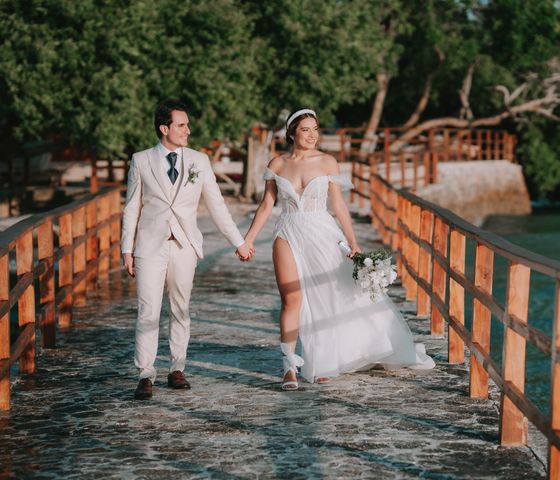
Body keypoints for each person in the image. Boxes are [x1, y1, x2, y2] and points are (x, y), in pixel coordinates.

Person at [243, 108, 435, 391]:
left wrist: (353, 240)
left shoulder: (327, 162)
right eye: (306, 129)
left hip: (321, 231)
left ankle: (321, 361)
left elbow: (339, 205)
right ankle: (288, 367)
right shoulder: (278, 164)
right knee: (291, 299)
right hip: (287, 231)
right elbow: (266, 205)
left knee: (326, 295)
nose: (312, 135)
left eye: (316, 129)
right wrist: (248, 239)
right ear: (292, 132)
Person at [121, 99, 254, 400]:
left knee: (180, 308)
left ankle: (176, 368)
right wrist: (126, 249)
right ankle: (145, 373)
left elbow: (216, 205)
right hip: (149, 247)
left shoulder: (199, 161)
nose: (188, 130)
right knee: (148, 311)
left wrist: (239, 241)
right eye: (182, 125)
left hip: (185, 246)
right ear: (164, 128)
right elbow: (131, 208)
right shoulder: (140, 160)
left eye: (187, 125)